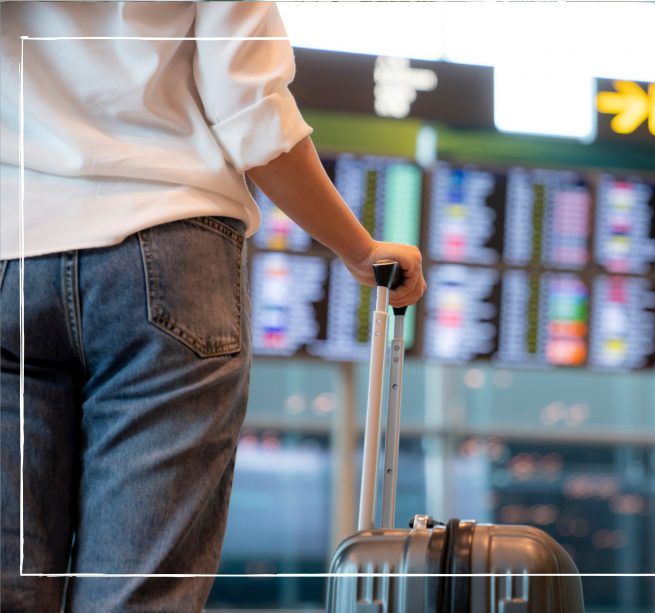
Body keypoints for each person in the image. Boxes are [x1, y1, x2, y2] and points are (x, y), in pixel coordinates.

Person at [0, 2, 426, 611]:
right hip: (167, 246)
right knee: (138, 594)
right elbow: (252, 113)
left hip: (9, 245)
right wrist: (358, 251)